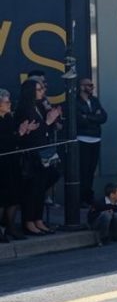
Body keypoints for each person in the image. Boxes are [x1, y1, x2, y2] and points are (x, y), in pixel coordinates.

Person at [14, 79, 61, 236]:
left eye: (42, 88)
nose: (42, 92)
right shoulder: (23, 108)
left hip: (42, 152)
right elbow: (29, 134)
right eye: (39, 89)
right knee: (32, 189)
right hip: (31, 154)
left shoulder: (40, 105)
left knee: (41, 188)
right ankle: (29, 221)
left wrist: (51, 120)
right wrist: (47, 122)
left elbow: (45, 128)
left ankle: (38, 219)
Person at [0, 89, 28, 242]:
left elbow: (14, 139)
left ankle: (11, 227)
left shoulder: (9, 118)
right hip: (2, 162)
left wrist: (22, 133)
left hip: (12, 161)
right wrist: (18, 134)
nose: (9, 104)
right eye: (6, 102)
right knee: (2, 198)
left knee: (14, 196)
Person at [76, 78, 108, 206]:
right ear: (81, 86)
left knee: (91, 170)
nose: (92, 87)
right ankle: (81, 197)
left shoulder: (94, 100)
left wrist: (88, 116)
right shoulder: (76, 101)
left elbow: (104, 117)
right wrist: (94, 116)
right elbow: (79, 119)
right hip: (82, 139)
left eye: (92, 85)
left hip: (96, 138)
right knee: (83, 170)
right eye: (89, 85)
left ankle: (88, 195)